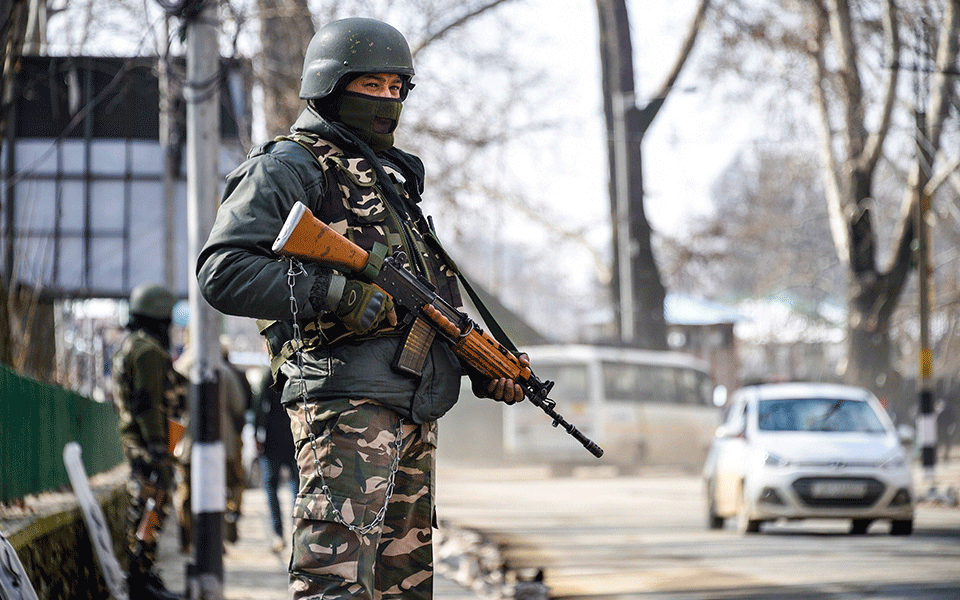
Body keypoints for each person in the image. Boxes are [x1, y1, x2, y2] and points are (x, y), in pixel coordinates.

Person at [196, 17, 525, 600]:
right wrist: (338, 294)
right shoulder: (290, 166)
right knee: (335, 586)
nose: (387, 100)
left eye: (397, 88)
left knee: (404, 589)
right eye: (371, 85)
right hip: (343, 408)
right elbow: (222, 270)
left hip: (412, 413)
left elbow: (427, 307)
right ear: (329, 87)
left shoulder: (390, 181)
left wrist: (480, 364)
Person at [110, 282, 183, 600]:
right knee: (151, 508)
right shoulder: (148, 351)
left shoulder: (130, 345)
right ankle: (141, 581)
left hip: (137, 440)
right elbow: (148, 401)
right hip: (149, 444)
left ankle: (143, 575)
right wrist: (157, 444)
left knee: (145, 507)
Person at [253, 365, 298, 554]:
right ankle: (298, 532)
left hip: (273, 438)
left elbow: (259, 405)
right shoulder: (299, 368)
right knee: (298, 487)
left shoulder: (270, 373)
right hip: (296, 437)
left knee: (272, 486)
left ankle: (278, 534)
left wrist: (257, 433)